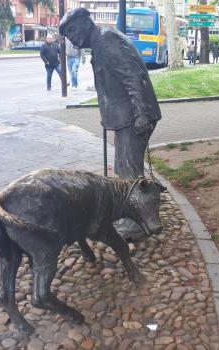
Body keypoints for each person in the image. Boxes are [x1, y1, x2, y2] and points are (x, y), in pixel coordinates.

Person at [59, 8, 161, 238]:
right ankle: (135, 216)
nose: (72, 38)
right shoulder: (100, 43)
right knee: (125, 168)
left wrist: (141, 114)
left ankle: (136, 223)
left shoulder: (107, 42)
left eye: (73, 30)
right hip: (125, 118)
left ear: (86, 22)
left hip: (134, 117)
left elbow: (133, 77)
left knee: (129, 172)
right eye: (68, 36)